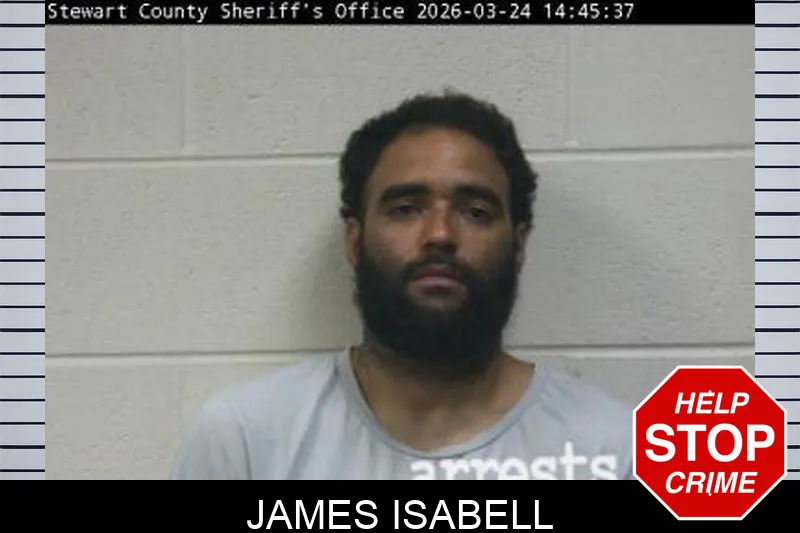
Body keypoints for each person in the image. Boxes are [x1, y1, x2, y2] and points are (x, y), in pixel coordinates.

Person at [171, 90, 633, 480]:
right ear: (355, 241)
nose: (440, 234)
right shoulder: (246, 442)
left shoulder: (614, 450)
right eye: (406, 209)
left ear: (518, 244)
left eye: (475, 212)